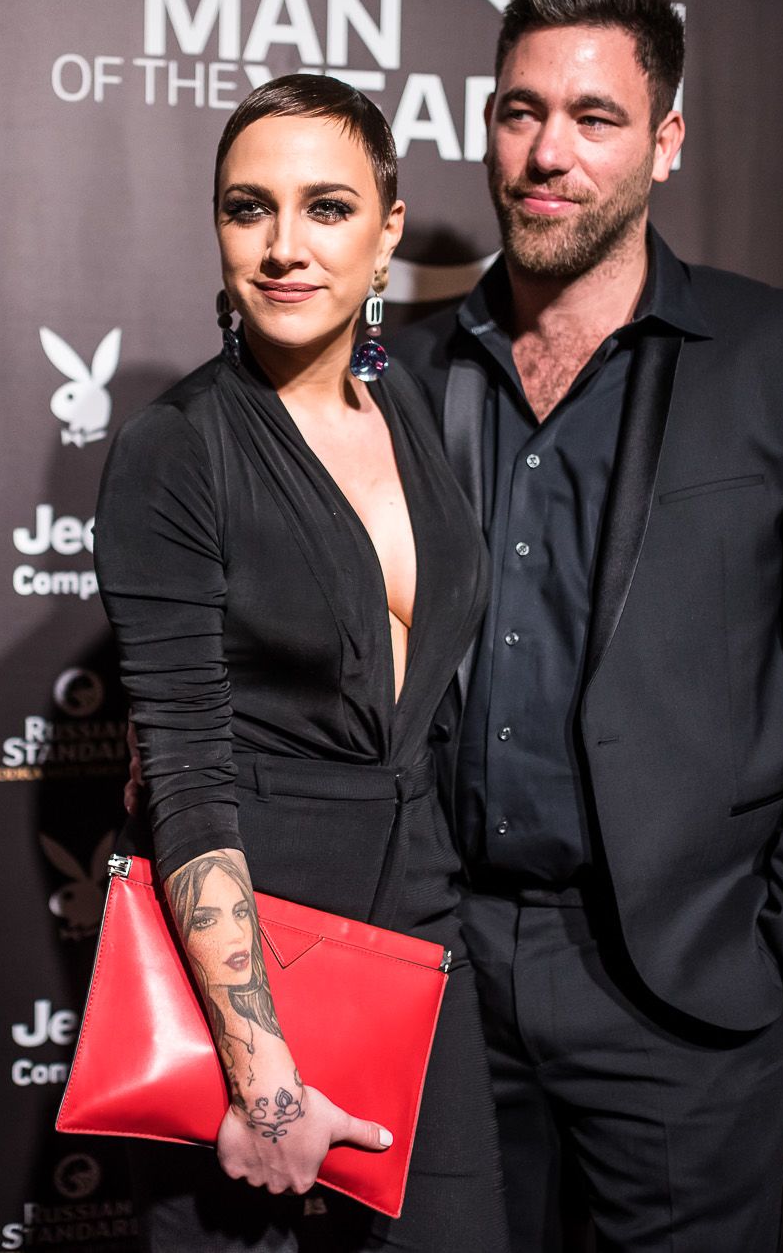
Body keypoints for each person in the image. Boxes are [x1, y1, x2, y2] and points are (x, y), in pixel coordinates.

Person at [389, 0, 783, 1253]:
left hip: (679, 981)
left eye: (595, 117)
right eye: (520, 112)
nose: (547, 153)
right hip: (436, 969)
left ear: (666, 142)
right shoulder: (399, 367)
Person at [95, 75, 507, 1251]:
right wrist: (261, 1076)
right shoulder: (177, 449)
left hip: (416, 949)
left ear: (386, 231)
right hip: (244, 980)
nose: (283, 246)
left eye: (326, 207)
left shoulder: (406, 411)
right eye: (248, 208)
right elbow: (184, 775)